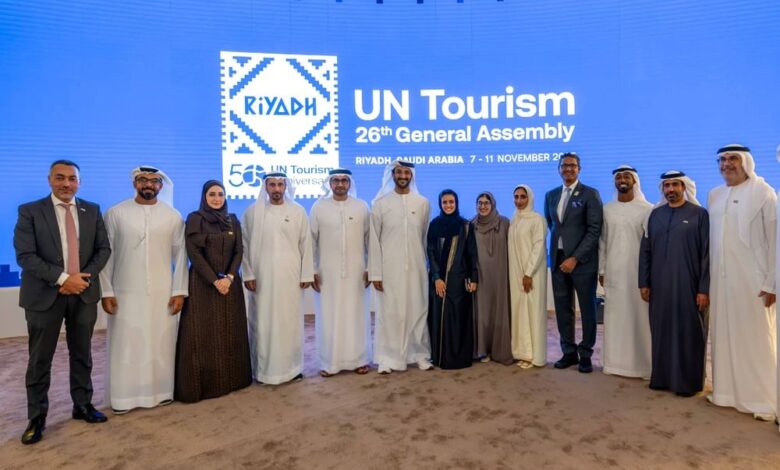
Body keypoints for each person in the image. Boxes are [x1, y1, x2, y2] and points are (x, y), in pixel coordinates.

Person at [14, 160, 111, 445]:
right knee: (40, 359)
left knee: (82, 353)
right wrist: (63, 279)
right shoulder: (30, 211)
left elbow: (103, 249)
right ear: (49, 180)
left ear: (79, 182)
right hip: (44, 295)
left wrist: (82, 279)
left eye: (72, 178)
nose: (66, 183)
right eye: (60, 178)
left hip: (83, 292)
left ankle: (82, 405)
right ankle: (36, 417)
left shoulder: (92, 210)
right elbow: (25, 255)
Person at [100, 166, 188, 413]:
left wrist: (179, 290)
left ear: (161, 185)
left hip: (162, 291)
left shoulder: (172, 216)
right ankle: (123, 399)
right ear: (134, 183)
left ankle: (162, 393)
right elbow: (106, 256)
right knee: (126, 343)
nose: (148, 184)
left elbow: (181, 256)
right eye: (143, 180)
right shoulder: (116, 213)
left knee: (162, 342)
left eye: (154, 181)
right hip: (125, 291)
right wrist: (106, 291)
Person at [708, 144, 777, 419]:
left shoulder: (763, 192)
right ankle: (725, 394)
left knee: (756, 339)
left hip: (754, 281)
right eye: (722, 159)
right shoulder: (714, 195)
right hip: (721, 281)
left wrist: (772, 282)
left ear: (746, 162)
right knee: (723, 335)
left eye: (733, 159)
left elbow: (774, 240)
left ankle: (762, 399)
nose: (726, 164)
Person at [174, 180, 252, 402]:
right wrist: (215, 281)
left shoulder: (232, 220)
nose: (217, 198)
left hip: (230, 285)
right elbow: (194, 254)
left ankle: (234, 381)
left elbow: (239, 251)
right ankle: (206, 386)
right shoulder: (195, 219)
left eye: (220, 194)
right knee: (203, 334)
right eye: (212, 194)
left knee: (231, 330)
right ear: (204, 197)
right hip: (202, 285)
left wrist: (229, 277)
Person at [639, 170, 709, 397]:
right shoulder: (655, 215)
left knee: (689, 332)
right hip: (659, 285)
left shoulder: (699, 214)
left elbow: (706, 255)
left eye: (675, 185)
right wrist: (644, 282)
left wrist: (703, 288)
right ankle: (662, 379)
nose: (671, 189)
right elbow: (646, 251)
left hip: (688, 285)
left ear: (684, 187)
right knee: (661, 331)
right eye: (667, 185)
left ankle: (688, 383)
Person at [241, 172, 314, 385]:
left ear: (285, 186)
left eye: (280, 185)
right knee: (263, 322)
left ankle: (293, 368)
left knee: (290, 321)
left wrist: (306, 273)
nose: (276, 189)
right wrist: (248, 273)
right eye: (272, 185)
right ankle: (264, 371)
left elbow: (306, 244)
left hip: (290, 275)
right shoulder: (252, 212)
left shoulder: (298, 211)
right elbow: (244, 245)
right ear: (265, 187)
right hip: (261, 277)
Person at [368, 159, 432, 374]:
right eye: (399, 172)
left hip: (416, 267)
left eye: (406, 172)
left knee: (417, 310)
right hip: (389, 269)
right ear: (392, 174)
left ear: (411, 175)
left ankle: (419, 354)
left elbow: (425, 238)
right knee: (390, 312)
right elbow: (374, 241)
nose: (403, 176)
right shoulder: (380, 204)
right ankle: (387, 358)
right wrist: (376, 272)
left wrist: (428, 267)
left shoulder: (422, 203)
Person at [543, 153, 603, 373]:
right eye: (564, 165)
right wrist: (562, 255)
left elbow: (594, 230)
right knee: (562, 308)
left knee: (587, 309)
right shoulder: (551, 195)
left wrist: (575, 257)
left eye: (572, 165)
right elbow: (552, 225)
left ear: (579, 169)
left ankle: (585, 353)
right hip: (558, 260)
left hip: (582, 262)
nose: (568, 169)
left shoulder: (590, 194)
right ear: (559, 169)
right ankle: (568, 351)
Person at [310, 169, 372, 377]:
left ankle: (359, 360)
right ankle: (330, 362)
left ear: (350, 183)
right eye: (336, 180)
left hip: (357, 272)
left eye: (344, 180)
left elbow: (369, 241)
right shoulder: (319, 207)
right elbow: (311, 241)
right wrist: (312, 269)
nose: (340, 184)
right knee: (329, 316)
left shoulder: (361, 207)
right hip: (327, 272)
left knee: (356, 315)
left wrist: (370, 268)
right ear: (330, 184)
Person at [598, 165, 654, 379]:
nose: (622, 179)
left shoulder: (647, 209)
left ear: (635, 181)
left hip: (638, 274)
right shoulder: (607, 209)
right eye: (618, 176)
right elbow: (603, 242)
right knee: (615, 318)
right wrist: (602, 269)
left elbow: (650, 246)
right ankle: (614, 364)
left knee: (639, 318)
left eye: (626, 176)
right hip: (613, 271)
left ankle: (643, 366)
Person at [427, 189, 479, 369]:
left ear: (456, 203)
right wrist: (436, 277)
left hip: (459, 281)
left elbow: (471, 254)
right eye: (445, 202)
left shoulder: (465, 226)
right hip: (438, 281)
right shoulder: (434, 225)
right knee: (439, 318)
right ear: (440, 204)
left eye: (451, 202)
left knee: (458, 319)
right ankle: (440, 358)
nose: (448, 205)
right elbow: (430, 253)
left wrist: (474, 278)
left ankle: (458, 359)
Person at [508, 185, 548, 369]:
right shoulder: (515, 218)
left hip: (532, 275)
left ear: (529, 198)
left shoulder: (537, 219)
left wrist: (528, 273)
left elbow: (538, 247)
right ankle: (522, 352)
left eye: (522, 197)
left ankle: (534, 356)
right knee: (520, 313)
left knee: (533, 314)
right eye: (516, 197)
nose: (519, 200)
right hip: (516, 273)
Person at [472, 191, 514, 365]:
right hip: (480, 277)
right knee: (482, 313)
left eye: (486, 203)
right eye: (480, 203)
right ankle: (482, 349)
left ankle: (499, 349)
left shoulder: (504, 223)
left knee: (498, 310)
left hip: (500, 275)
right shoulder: (471, 225)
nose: (483, 206)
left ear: (493, 204)